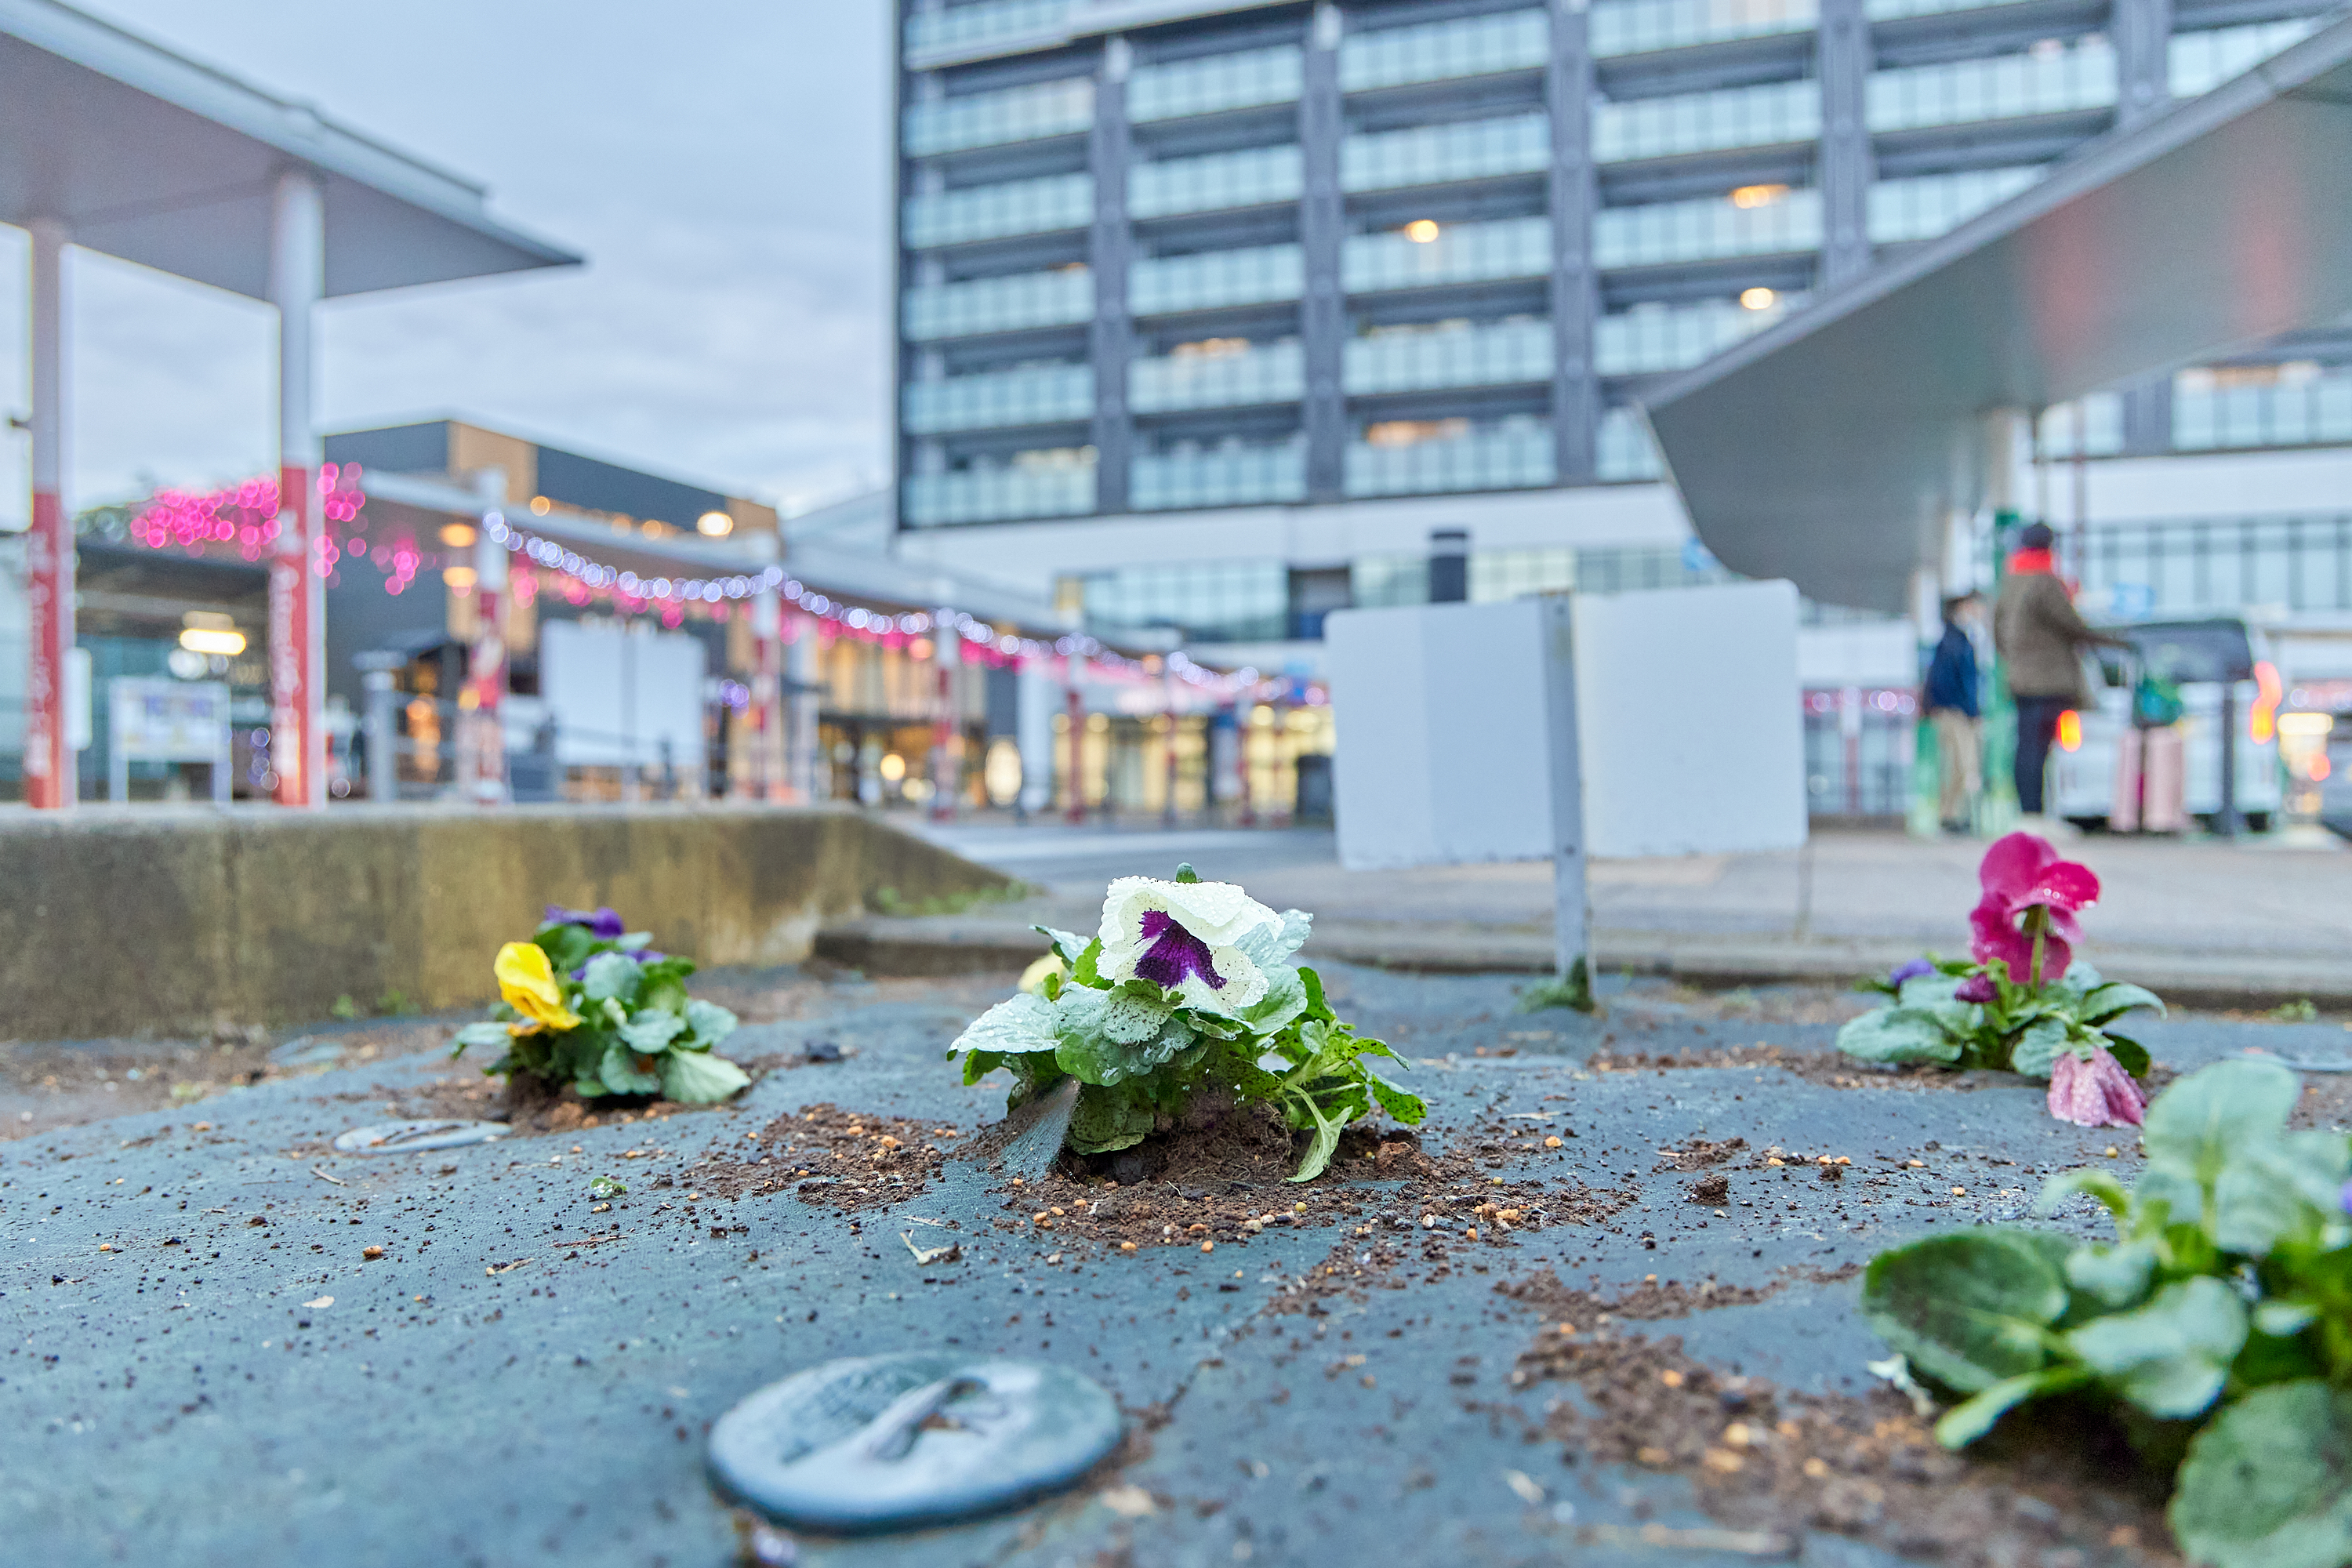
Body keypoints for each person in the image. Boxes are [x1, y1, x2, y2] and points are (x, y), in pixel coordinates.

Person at [1994, 524, 2129, 827]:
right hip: (2047, 680)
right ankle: (2036, 813)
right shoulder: (2045, 583)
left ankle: (2026, 811)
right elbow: (2072, 626)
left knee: (2025, 745)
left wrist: (2015, 660)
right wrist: (2115, 640)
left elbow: (1998, 631)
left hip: (2019, 679)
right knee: (2039, 748)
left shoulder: (2011, 582)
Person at [1923, 593, 1983, 833]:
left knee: (1958, 764)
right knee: (1962, 763)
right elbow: (1957, 681)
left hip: (1954, 711)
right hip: (1956, 713)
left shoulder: (1954, 639)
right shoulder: (1954, 642)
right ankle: (1952, 815)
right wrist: (1970, 710)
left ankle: (1952, 814)